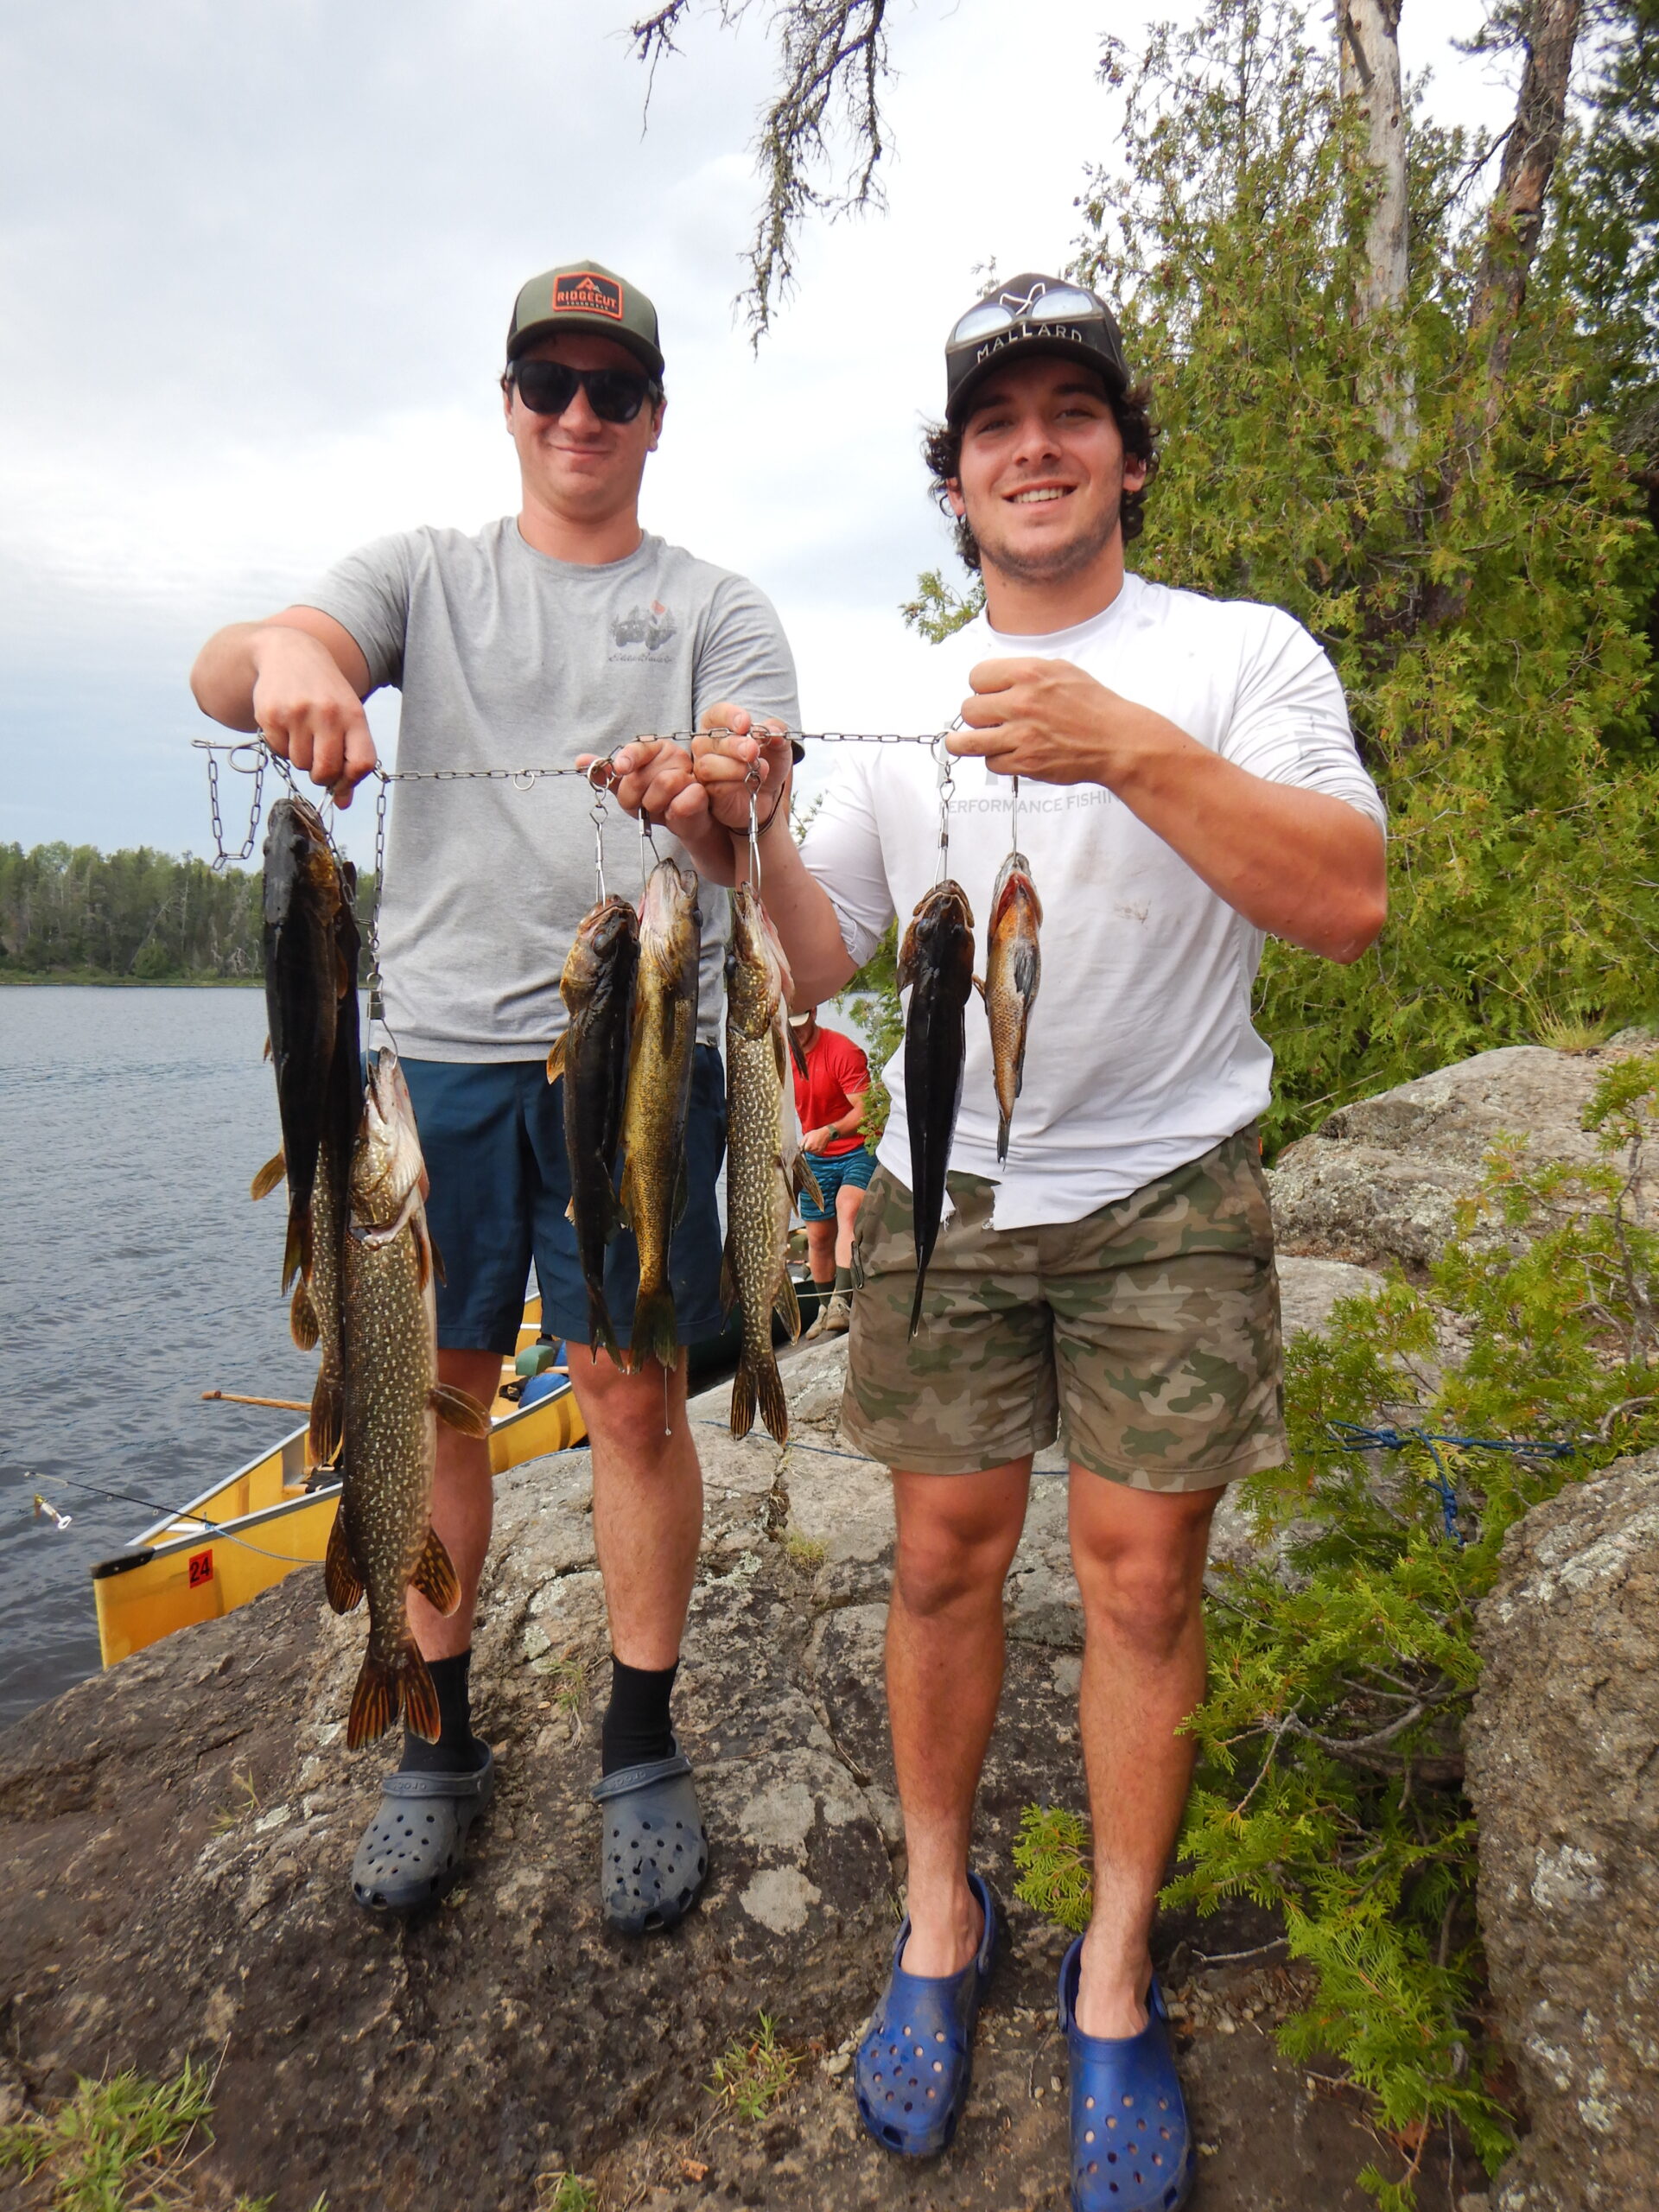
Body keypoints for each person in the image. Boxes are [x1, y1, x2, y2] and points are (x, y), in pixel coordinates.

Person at [657, 273, 1388, 2205]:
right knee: (936, 1560)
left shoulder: (1243, 658)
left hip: (1171, 1190)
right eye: (998, 424)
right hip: (946, 1192)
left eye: (1073, 411)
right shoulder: (919, 705)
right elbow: (823, 968)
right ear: (958, 482)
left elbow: (1349, 900)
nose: (1036, 445)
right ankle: (935, 1913)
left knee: (1144, 1584)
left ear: (1129, 456)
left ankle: (1119, 1962)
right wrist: (758, 840)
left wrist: (1124, 744)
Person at [190, 258, 799, 1932]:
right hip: (444, 1055)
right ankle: (434, 1733)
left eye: (615, 389)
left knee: (628, 1395)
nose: (581, 416)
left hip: (642, 1053)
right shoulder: (425, 576)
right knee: (434, 1383)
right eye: (551, 385)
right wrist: (292, 667)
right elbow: (232, 662)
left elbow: (761, 796)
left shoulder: (720, 605)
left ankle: (639, 1731)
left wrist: (714, 788)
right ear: (512, 404)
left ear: (656, 417)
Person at [788, 1004, 873, 1337]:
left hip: (856, 1147)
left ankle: (843, 1300)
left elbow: (865, 1108)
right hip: (815, 1155)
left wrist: (832, 1132)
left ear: (814, 1014)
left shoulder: (841, 1050)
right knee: (818, 1236)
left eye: (801, 1022)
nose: (796, 1031)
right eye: (789, 1024)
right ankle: (825, 1308)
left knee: (848, 1208)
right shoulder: (782, 1054)